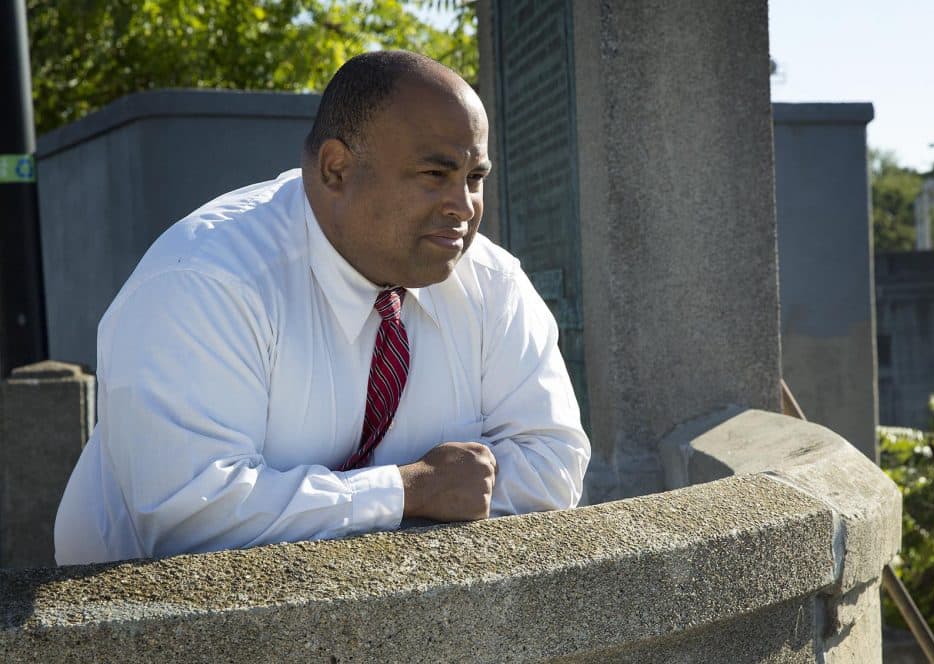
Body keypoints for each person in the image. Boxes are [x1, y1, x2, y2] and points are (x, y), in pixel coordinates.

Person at [54, 50, 590, 565]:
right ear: (336, 169)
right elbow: (193, 520)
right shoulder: (203, 280)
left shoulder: (490, 282)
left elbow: (554, 466)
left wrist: (336, 517)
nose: (464, 207)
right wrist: (406, 491)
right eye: (435, 175)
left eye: (475, 179)